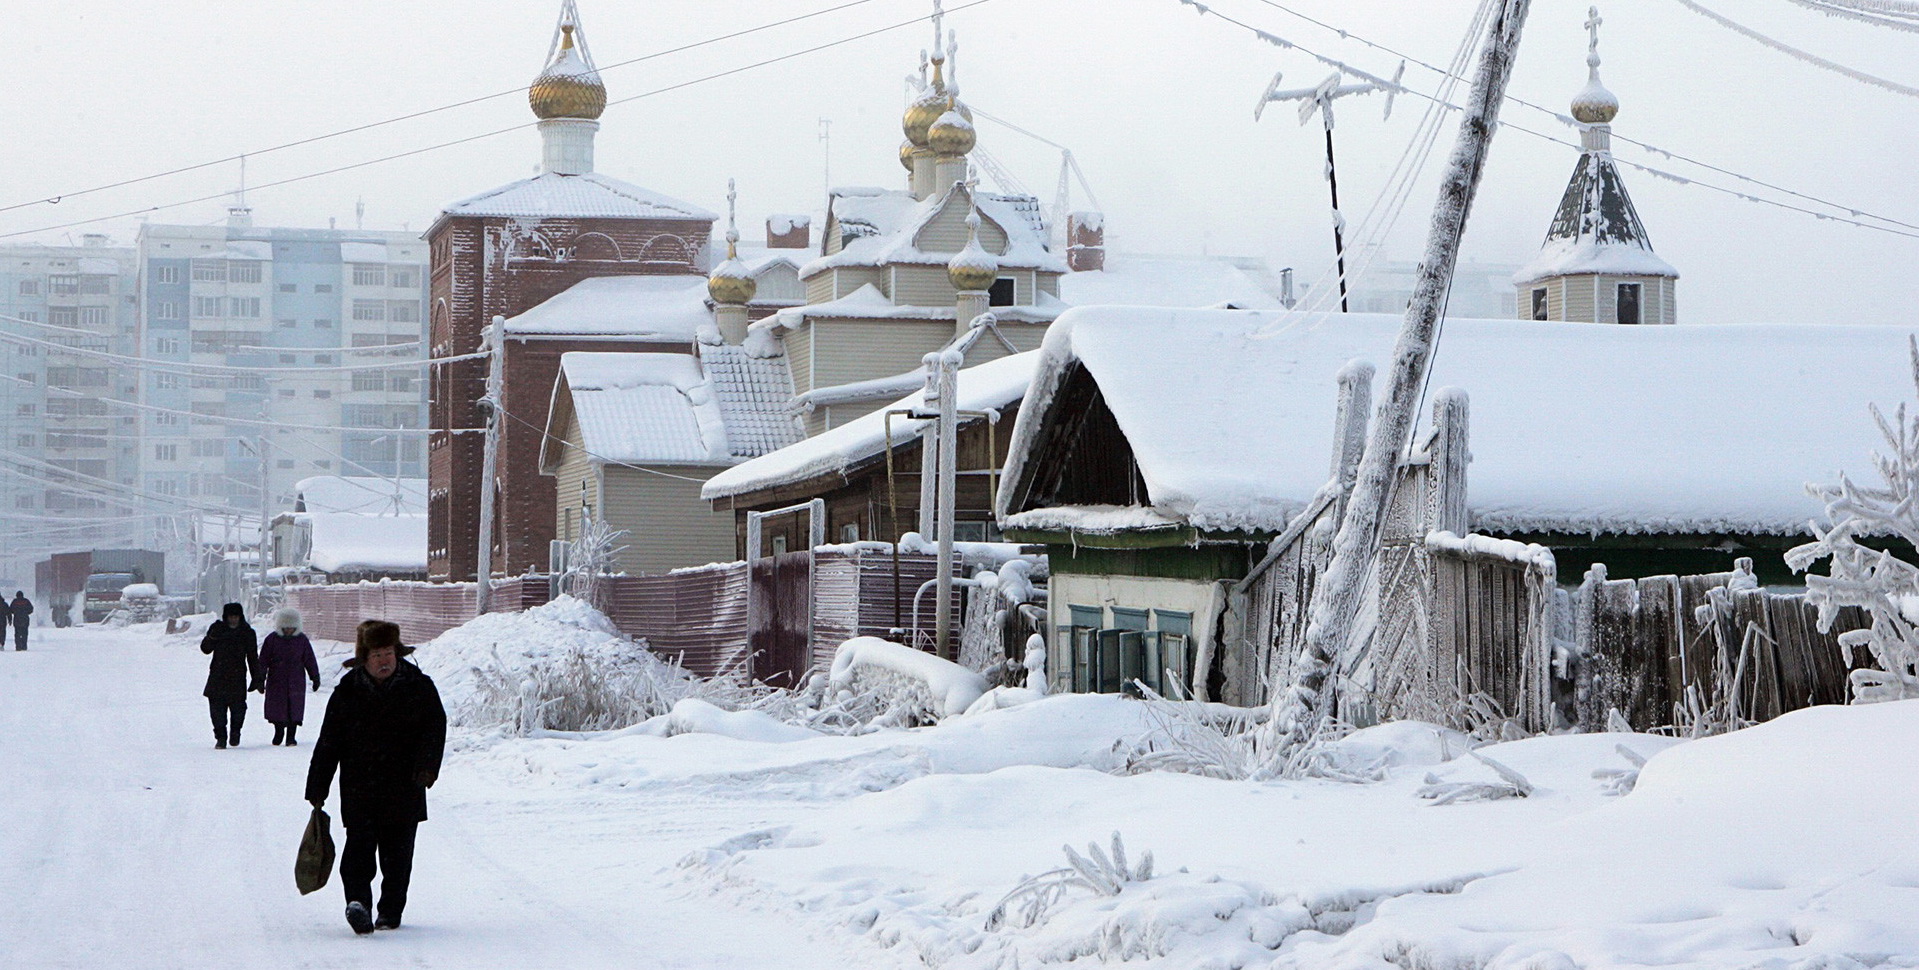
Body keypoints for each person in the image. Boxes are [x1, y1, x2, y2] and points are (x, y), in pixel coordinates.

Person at [306, 620, 446, 935]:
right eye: (377, 654)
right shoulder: (348, 691)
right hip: (360, 787)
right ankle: (358, 904)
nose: (384, 661)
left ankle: (390, 912)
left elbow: (434, 728)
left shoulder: (418, 686)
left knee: (397, 857)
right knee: (358, 851)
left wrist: (427, 766)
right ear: (364, 658)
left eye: (388, 653)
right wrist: (318, 785)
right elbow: (329, 741)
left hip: (405, 786)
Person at [200, 603, 261, 749]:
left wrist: (257, 678)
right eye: (230, 617)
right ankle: (221, 737)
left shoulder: (247, 633)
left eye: (236, 617)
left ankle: (235, 732)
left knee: (239, 710)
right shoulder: (218, 629)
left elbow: (252, 657)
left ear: (240, 617)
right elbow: (205, 649)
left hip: (237, 677)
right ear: (225, 617)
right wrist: (212, 636)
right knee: (217, 711)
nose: (233, 620)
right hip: (218, 677)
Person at [259, 607, 321, 746]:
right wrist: (260, 679)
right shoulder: (272, 640)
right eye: (286, 627)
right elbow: (263, 660)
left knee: (295, 708)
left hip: (296, 680)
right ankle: (279, 730)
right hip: (276, 680)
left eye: (292, 627)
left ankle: (291, 736)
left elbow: (309, 659)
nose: (288, 630)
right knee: (277, 708)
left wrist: (315, 676)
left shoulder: (302, 640)